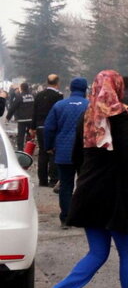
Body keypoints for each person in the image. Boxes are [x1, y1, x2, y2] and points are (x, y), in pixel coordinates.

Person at [43, 70, 128, 288]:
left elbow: (75, 157)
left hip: (88, 193)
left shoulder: (87, 115)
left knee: (96, 253)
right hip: (115, 195)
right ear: (116, 88)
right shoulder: (121, 116)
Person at [43, 77, 89, 229]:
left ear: (70, 88)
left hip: (64, 151)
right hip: (85, 152)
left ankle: (66, 218)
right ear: (85, 89)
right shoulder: (90, 106)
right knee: (84, 185)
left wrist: (49, 146)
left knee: (66, 185)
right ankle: (82, 216)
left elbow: (49, 128)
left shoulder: (59, 105)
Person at [30, 74, 63, 187]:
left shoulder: (39, 95)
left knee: (43, 153)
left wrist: (32, 127)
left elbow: (34, 111)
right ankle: (53, 179)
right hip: (53, 127)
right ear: (57, 83)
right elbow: (59, 113)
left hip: (40, 127)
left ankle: (42, 180)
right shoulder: (58, 96)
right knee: (52, 152)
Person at [6, 82, 35, 151]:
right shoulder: (33, 96)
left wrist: (8, 117)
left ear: (21, 88)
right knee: (30, 135)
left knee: (21, 136)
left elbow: (13, 107)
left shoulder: (19, 96)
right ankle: (29, 150)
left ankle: (20, 150)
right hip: (31, 119)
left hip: (22, 119)